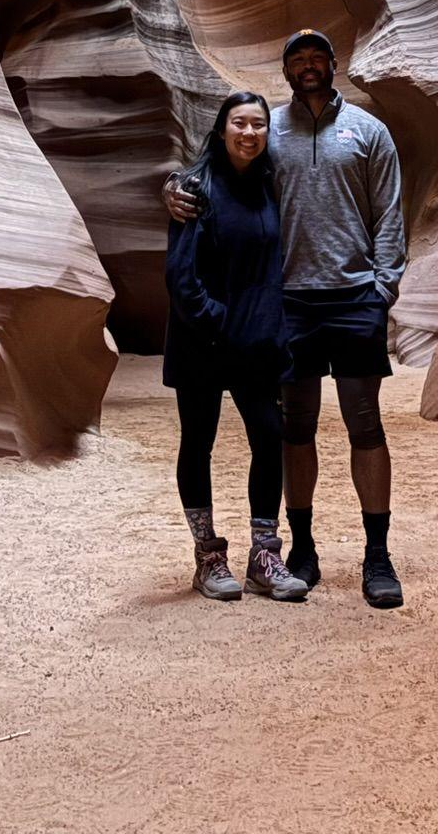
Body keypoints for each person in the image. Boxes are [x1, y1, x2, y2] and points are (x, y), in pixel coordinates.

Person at [165, 31, 408, 608]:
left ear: (332, 64)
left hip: (354, 297)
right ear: (286, 70)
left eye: (317, 57)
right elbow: (219, 169)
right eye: (297, 59)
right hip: (289, 304)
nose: (308, 65)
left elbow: (389, 212)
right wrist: (173, 186)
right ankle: (299, 549)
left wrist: (382, 288)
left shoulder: (368, 131)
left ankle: (377, 554)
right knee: (294, 427)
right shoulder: (269, 130)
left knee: (365, 423)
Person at [163, 91, 309, 603]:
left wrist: (265, 328)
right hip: (202, 340)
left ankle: (264, 556)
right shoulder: (194, 187)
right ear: (221, 129)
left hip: (254, 342)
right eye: (239, 123)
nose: (249, 133)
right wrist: (219, 321)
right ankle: (208, 557)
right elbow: (181, 276)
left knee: (268, 438)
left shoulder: (268, 186)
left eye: (258, 125)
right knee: (197, 442)